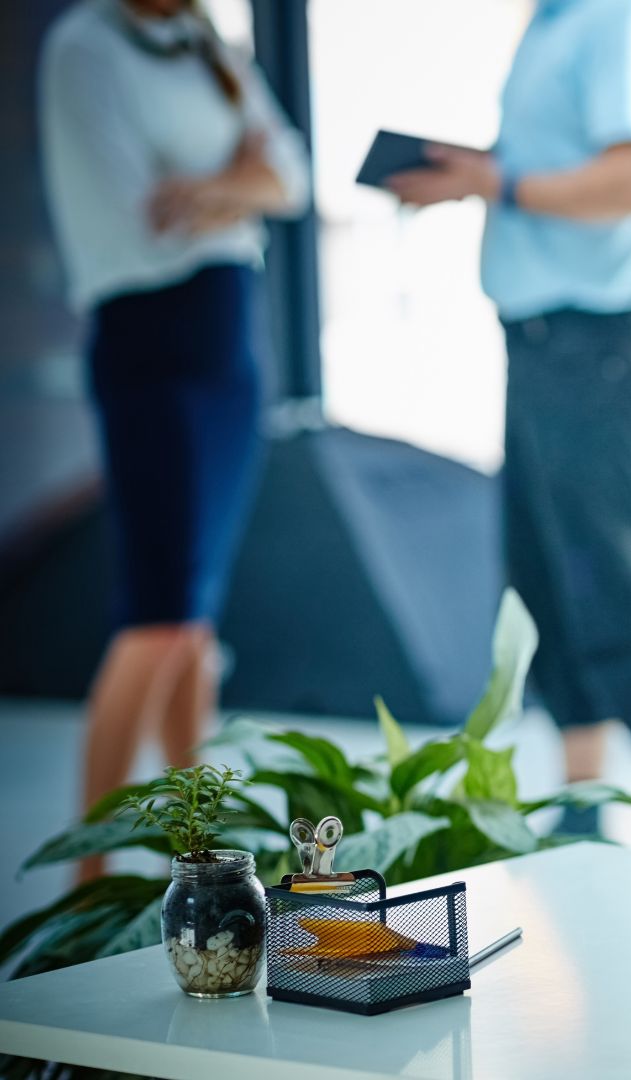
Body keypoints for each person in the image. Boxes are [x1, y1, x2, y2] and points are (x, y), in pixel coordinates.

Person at [384, 0, 631, 843]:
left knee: (617, 562)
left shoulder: (619, 21)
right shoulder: (552, 24)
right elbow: (557, 167)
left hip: (602, 340)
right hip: (538, 339)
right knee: (546, 569)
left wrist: (497, 181)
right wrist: (476, 174)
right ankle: (583, 802)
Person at [38, 0, 310, 881]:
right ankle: (90, 878)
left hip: (229, 341)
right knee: (157, 618)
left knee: (193, 625)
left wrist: (210, 190)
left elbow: (294, 181)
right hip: (151, 341)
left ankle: (196, 860)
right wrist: (240, 178)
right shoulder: (85, 47)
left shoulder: (206, 48)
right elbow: (138, 217)